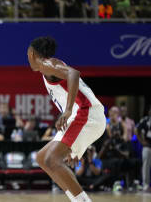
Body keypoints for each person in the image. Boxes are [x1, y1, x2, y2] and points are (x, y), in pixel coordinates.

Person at [27, 36, 106, 202]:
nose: (27, 58)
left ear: (32, 53)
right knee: (43, 158)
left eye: (27, 54)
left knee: (51, 159)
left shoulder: (47, 64)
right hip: (82, 117)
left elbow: (73, 73)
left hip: (86, 114)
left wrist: (68, 110)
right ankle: (76, 198)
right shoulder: (48, 68)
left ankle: (83, 201)